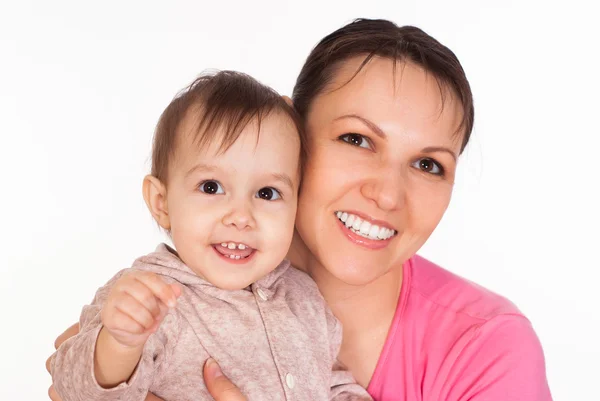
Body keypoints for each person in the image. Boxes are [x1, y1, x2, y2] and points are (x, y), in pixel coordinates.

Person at [47, 19, 553, 401]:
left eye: (428, 164)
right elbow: (81, 381)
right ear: (290, 135)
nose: (388, 194)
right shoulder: (160, 298)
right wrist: (115, 348)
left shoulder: (489, 349)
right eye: (356, 138)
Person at [48, 70, 371, 401]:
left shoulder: (304, 298)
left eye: (267, 193)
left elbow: (330, 382)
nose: (241, 217)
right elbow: (73, 388)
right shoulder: (147, 296)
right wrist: (119, 344)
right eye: (212, 187)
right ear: (162, 203)